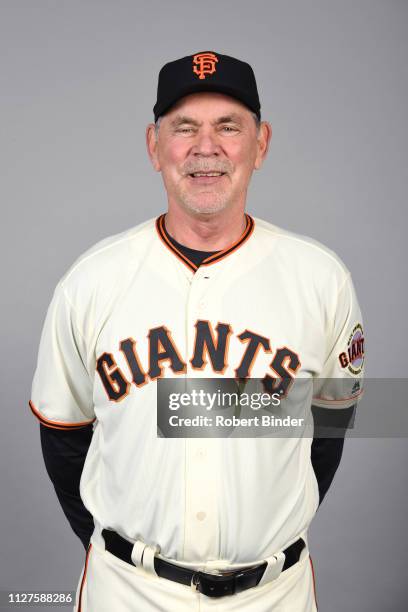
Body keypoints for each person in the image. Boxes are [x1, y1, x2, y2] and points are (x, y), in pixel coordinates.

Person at [30, 51, 365, 611]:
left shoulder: (322, 279)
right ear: (153, 145)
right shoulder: (90, 281)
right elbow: (63, 436)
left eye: (228, 127)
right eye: (184, 128)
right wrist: (124, 552)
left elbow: (329, 424)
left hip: (274, 596)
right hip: (129, 594)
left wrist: (270, 527)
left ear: (261, 145)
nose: (205, 148)